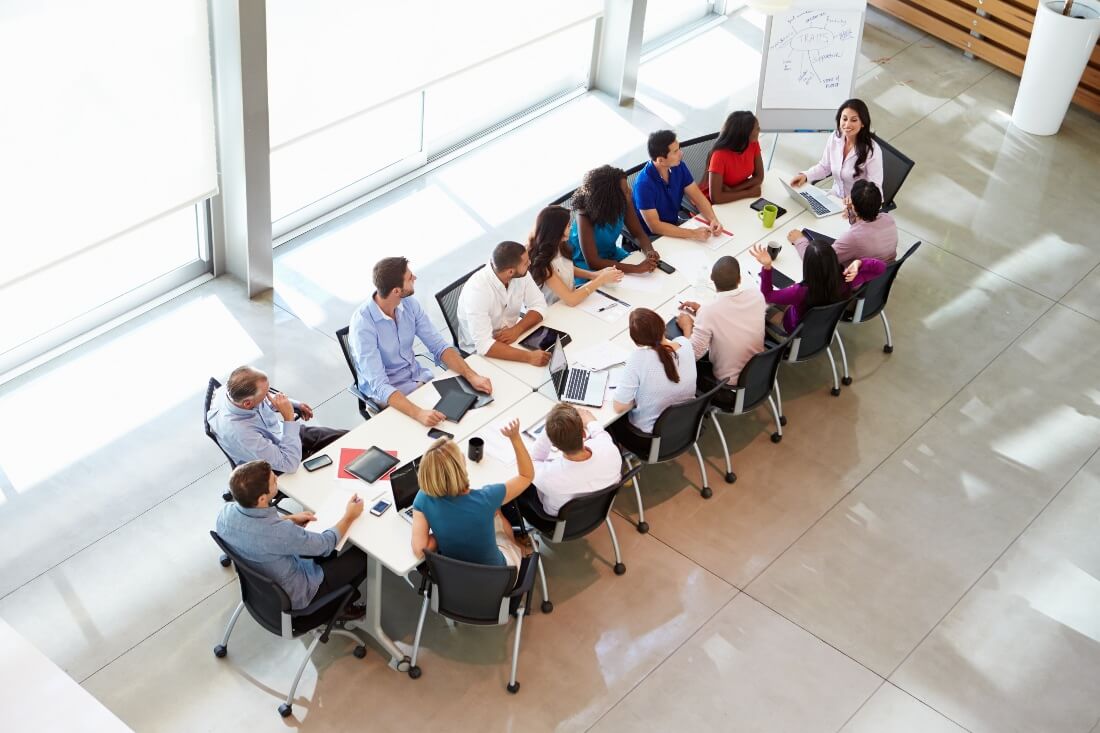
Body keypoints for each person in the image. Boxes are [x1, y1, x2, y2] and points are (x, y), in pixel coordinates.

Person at [349, 257, 493, 427]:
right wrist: (418, 414)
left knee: (472, 415)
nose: (415, 278)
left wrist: (472, 376)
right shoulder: (363, 326)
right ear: (396, 291)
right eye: (410, 278)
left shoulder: (409, 304)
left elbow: (438, 346)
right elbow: (380, 386)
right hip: (391, 397)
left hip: (419, 379)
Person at [216, 460, 367, 617]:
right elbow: (325, 544)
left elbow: (255, 529)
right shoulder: (279, 533)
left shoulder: (225, 514)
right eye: (274, 480)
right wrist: (349, 516)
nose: (277, 480)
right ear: (262, 499)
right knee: (364, 555)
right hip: (302, 593)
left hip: (265, 587)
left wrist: (291, 518)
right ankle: (339, 607)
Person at [410, 419, 532, 570]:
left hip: (454, 579)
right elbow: (526, 476)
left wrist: (446, 532)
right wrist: (515, 438)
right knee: (496, 512)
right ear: (461, 468)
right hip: (499, 579)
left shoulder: (422, 498)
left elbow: (420, 549)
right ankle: (518, 547)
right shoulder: (487, 498)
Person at [207, 366, 347, 474]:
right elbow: (289, 465)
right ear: (248, 404)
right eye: (265, 394)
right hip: (270, 463)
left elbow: (265, 399)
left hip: (281, 433)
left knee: (346, 439)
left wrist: (293, 404)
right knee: (330, 467)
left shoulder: (232, 389)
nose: (269, 395)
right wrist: (288, 418)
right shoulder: (241, 433)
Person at [750, 241, 886, 334]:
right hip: (824, 324)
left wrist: (767, 267)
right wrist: (859, 263)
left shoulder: (798, 292)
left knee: (765, 311)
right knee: (782, 302)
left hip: (795, 329)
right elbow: (881, 267)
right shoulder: (847, 278)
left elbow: (766, 295)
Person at [675, 256, 766, 386]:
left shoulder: (710, 312)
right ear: (739, 279)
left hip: (731, 383)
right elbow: (735, 316)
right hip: (761, 368)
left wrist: (687, 327)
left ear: (711, 278)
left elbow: (692, 355)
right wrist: (702, 311)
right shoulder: (756, 296)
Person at [457, 241, 551, 366]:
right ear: (510, 272)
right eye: (525, 263)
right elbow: (484, 345)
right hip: (482, 354)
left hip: (513, 338)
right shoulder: (477, 291)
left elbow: (539, 305)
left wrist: (517, 329)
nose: (530, 263)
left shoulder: (521, 275)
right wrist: (529, 357)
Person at [522, 403, 623, 517]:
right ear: (584, 433)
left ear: (554, 445)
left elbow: (532, 460)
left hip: (557, 519)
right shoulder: (610, 449)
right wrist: (589, 421)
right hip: (598, 511)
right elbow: (599, 432)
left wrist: (550, 429)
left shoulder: (549, 476)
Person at [611, 308, 698, 436]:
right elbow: (682, 343)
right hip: (685, 426)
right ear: (664, 325)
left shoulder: (639, 358)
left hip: (649, 436)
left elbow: (620, 407)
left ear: (637, 342)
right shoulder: (685, 344)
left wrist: (640, 396)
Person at [569, 165, 660, 277]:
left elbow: (638, 233)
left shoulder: (624, 201)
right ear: (611, 197)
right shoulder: (583, 214)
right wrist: (636, 268)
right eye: (626, 190)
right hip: (585, 266)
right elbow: (593, 262)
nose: (630, 191)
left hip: (612, 255)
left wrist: (649, 251)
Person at [633, 129, 724, 241]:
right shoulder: (643, 185)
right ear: (660, 160)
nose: (681, 153)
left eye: (679, 148)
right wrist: (693, 234)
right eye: (675, 151)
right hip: (654, 238)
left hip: (675, 224)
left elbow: (698, 197)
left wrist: (713, 219)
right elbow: (655, 227)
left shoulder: (678, 166)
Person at [786, 180, 897, 267]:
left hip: (852, 283)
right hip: (878, 277)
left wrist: (799, 240)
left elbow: (815, 263)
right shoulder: (888, 219)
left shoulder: (854, 238)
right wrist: (852, 211)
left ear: (854, 206)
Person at [527, 205, 623, 306]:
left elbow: (565, 266)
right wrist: (600, 279)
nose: (571, 227)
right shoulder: (543, 263)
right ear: (556, 230)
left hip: (570, 299)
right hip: (556, 309)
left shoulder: (558, 244)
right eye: (568, 225)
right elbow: (571, 300)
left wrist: (594, 275)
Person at [789, 98, 883, 199]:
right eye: (844, 119)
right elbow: (825, 167)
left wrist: (855, 198)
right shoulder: (835, 137)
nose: (847, 125)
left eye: (854, 120)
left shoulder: (872, 151)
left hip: (858, 206)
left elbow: (874, 188)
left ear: (863, 123)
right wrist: (806, 176)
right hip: (836, 197)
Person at [701, 111, 764, 204]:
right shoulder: (719, 155)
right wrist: (748, 193)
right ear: (745, 133)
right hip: (715, 202)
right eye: (756, 128)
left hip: (732, 193)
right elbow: (716, 198)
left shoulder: (753, 144)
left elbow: (759, 177)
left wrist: (733, 190)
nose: (759, 129)